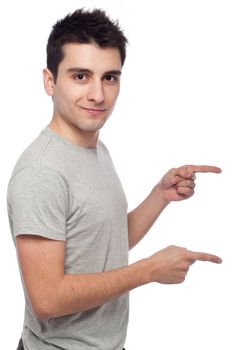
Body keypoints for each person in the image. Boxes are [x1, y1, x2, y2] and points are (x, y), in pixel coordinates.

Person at [7, 8, 222, 350]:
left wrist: (159, 196)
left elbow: (101, 245)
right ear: (50, 81)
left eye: (109, 77)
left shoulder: (95, 149)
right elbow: (46, 300)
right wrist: (148, 270)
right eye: (80, 76)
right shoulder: (42, 171)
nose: (98, 95)